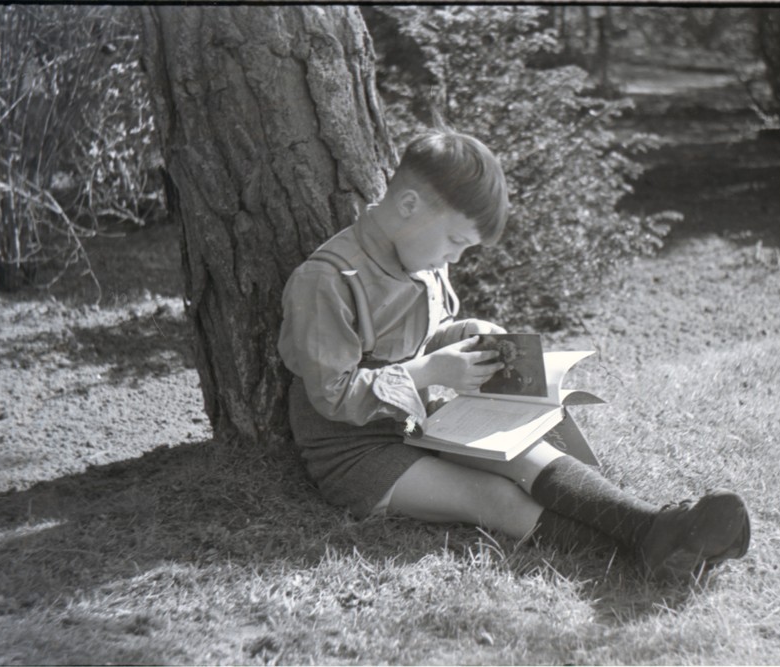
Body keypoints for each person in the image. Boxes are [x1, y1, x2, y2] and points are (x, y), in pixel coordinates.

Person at [278, 129, 749, 579]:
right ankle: (647, 549)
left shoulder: (418, 256)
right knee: (493, 497)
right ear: (408, 205)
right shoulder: (328, 280)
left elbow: (424, 335)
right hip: (352, 451)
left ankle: (656, 527)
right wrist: (431, 370)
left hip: (417, 420)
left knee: (524, 452)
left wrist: (470, 333)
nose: (456, 259)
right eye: (457, 241)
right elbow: (332, 394)